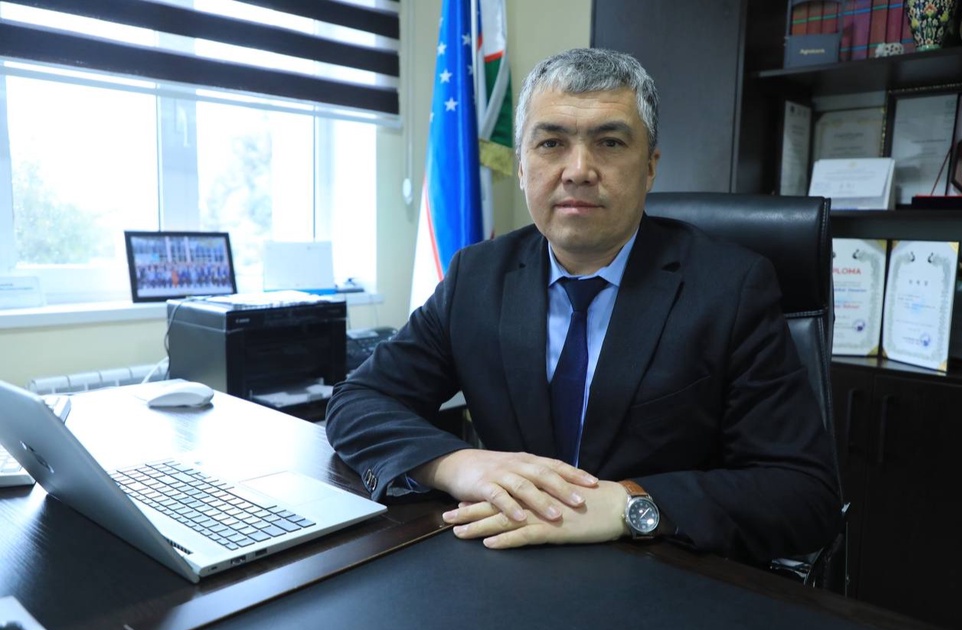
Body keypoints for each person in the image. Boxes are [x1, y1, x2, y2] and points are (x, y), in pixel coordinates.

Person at [325, 47, 842, 564]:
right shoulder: (477, 277)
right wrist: (458, 464)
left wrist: (626, 504)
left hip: (660, 570)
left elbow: (803, 492)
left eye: (609, 143)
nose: (578, 170)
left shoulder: (731, 288)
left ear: (650, 168)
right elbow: (358, 401)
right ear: (522, 166)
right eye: (551, 142)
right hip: (507, 562)